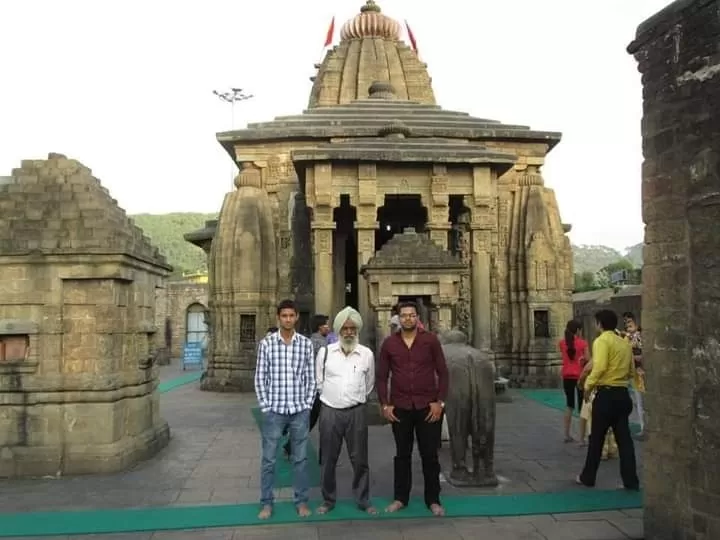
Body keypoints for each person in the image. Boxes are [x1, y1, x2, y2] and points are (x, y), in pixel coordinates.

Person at [377, 300, 450, 517]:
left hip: (428, 406)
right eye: (404, 315)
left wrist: (440, 402)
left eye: (412, 315)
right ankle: (401, 498)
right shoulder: (390, 344)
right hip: (400, 407)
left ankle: (433, 499)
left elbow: (443, 372)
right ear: (398, 319)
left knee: (430, 455)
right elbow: (382, 377)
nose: (408, 318)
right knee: (402, 455)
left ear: (418, 318)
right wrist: (385, 404)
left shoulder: (430, 341)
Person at [254, 299, 316, 520]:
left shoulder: (306, 344)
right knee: (269, 459)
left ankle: (301, 502)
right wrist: (266, 406)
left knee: (300, 459)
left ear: (297, 317)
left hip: (299, 409)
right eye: (284, 316)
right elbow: (260, 377)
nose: (288, 319)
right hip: (275, 411)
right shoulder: (267, 344)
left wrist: (308, 404)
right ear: (278, 317)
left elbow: (311, 377)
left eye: (291, 315)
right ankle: (267, 503)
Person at [315, 307, 377, 516]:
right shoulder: (325, 353)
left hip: (356, 412)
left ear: (357, 330)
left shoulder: (366, 354)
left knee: (360, 459)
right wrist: (332, 399)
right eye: (345, 328)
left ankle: (362, 499)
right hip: (330, 412)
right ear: (338, 330)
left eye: (352, 328)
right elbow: (319, 381)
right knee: (328, 458)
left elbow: (369, 384)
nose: (349, 332)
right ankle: (328, 500)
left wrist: (354, 399)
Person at [576, 309, 639, 490]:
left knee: (596, 438)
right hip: (622, 393)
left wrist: (588, 386)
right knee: (625, 440)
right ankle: (631, 480)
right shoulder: (624, 342)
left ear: (599, 323)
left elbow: (600, 366)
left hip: (606, 395)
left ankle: (588, 476)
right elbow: (631, 370)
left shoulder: (602, 341)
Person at [282, 314, 329, 459]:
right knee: (322, 423)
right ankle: (323, 455)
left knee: (310, 421)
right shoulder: (322, 344)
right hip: (321, 388)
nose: (328, 327)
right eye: (326, 324)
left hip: (310, 387)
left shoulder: (307, 342)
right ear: (320, 327)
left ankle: (290, 445)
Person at [559, 320, 589, 443]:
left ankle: (566, 434)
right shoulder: (583, 343)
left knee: (569, 405)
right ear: (578, 330)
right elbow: (589, 360)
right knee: (582, 406)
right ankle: (582, 437)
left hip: (567, 376)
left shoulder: (562, 343)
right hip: (580, 376)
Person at [624, 316, 645, 437]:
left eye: (631, 325)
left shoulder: (639, 337)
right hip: (633, 373)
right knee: (638, 401)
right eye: (627, 326)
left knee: (641, 401)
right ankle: (643, 426)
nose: (628, 327)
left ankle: (644, 426)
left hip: (641, 372)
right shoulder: (627, 338)